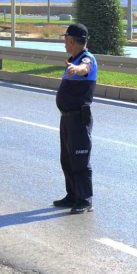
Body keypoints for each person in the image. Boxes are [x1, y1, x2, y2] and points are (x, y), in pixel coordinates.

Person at [53, 23, 98, 214]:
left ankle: (85, 200)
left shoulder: (86, 59)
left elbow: (85, 68)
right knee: (67, 159)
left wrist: (76, 69)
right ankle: (72, 195)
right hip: (67, 118)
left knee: (80, 160)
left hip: (79, 118)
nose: (64, 44)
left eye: (66, 40)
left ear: (73, 40)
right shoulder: (73, 58)